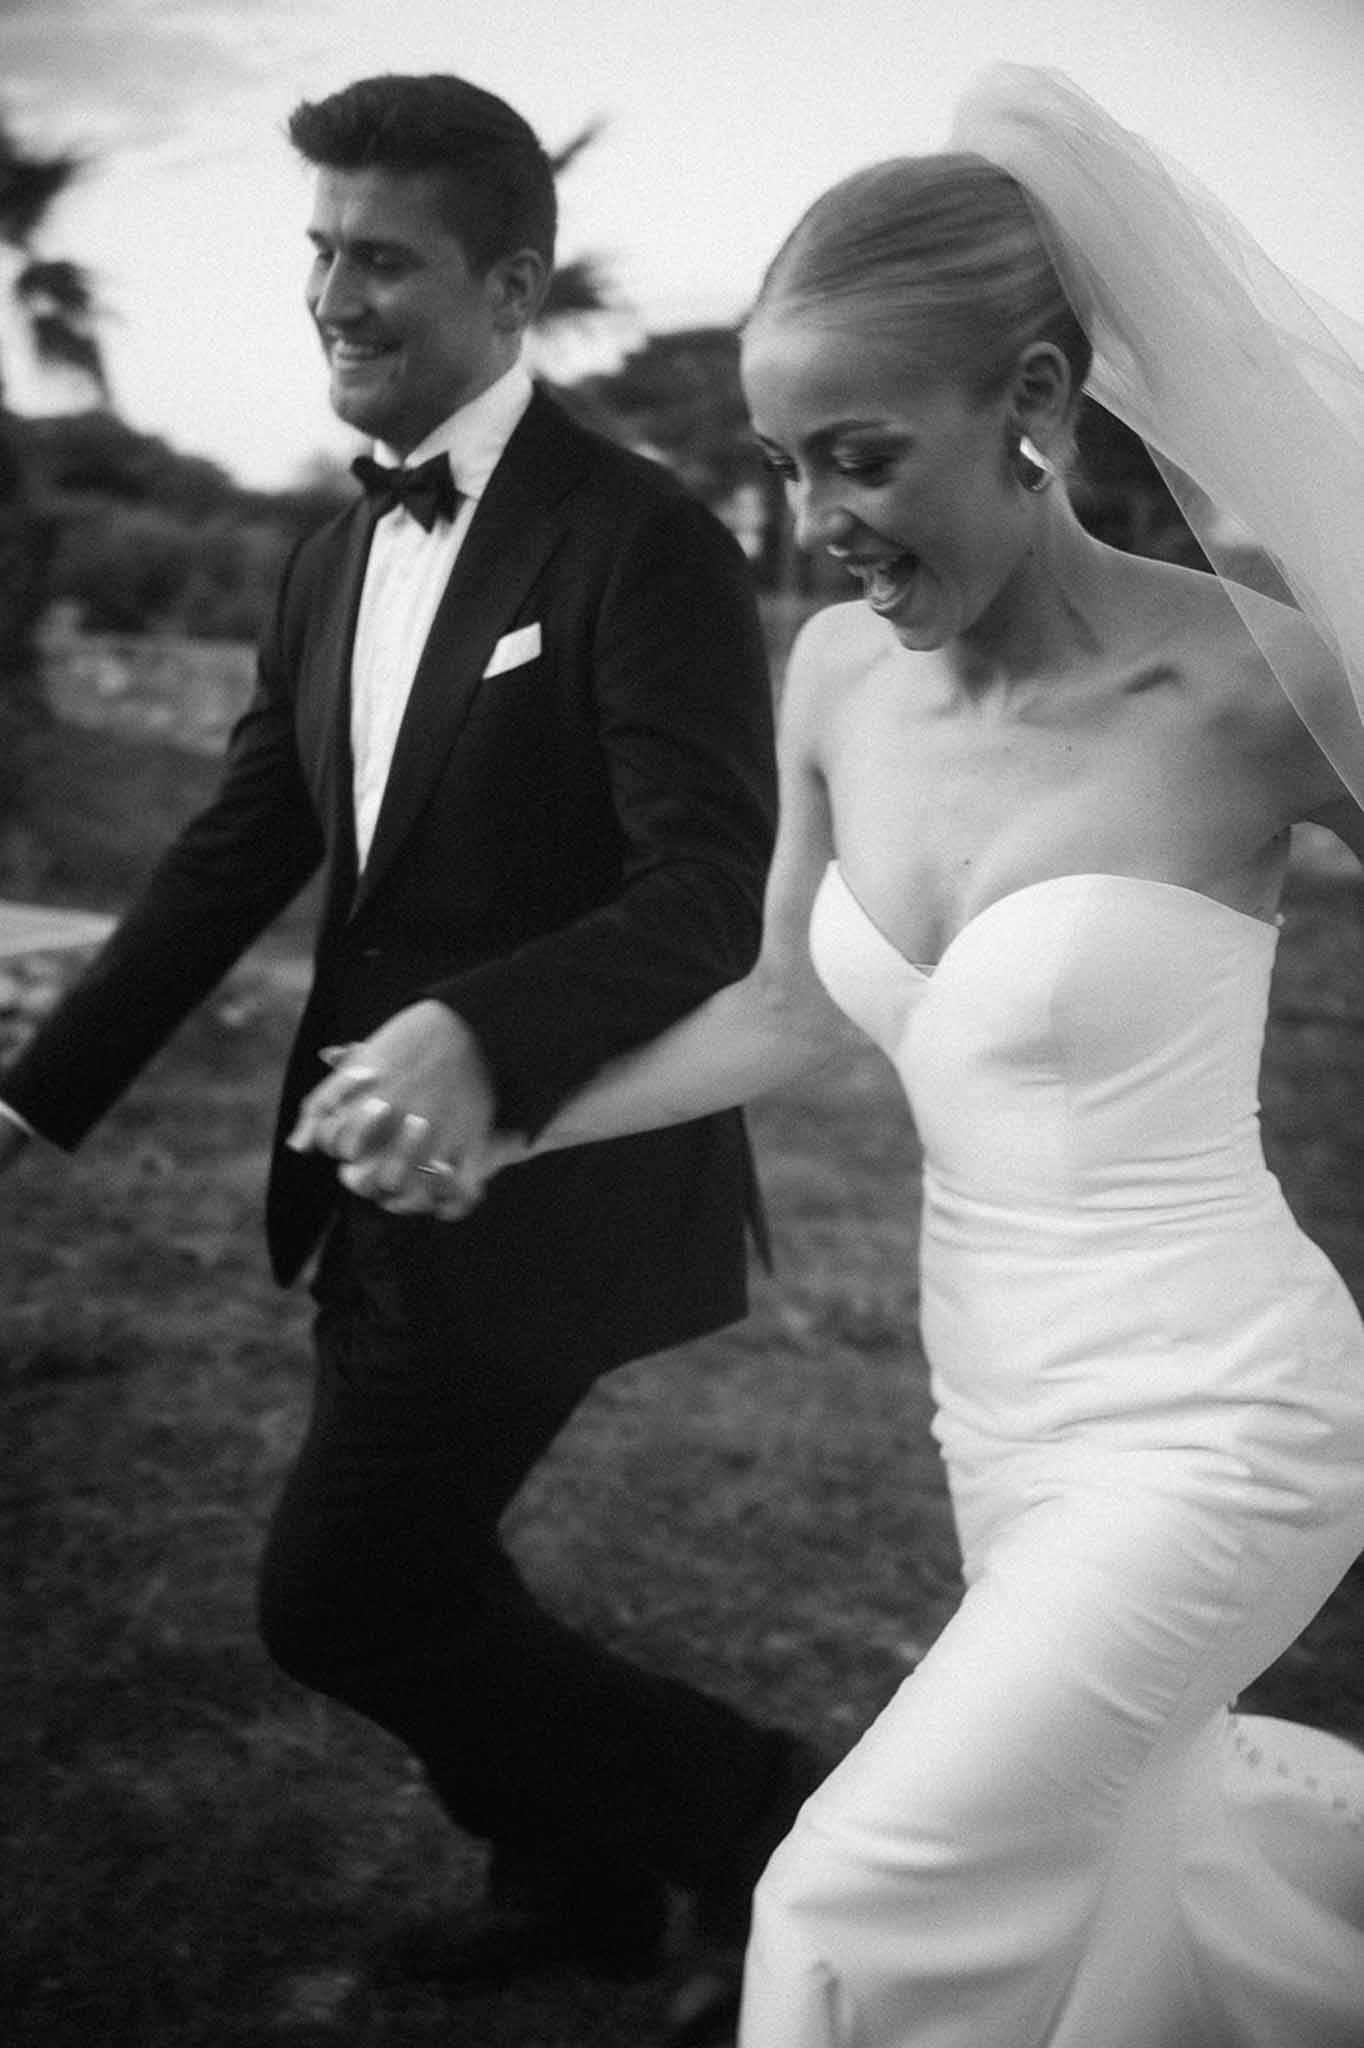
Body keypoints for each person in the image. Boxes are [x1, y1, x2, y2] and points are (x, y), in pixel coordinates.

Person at [296, 65, 1364, 2048]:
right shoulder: (835, 675)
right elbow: (786, 1006)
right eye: (787, 464)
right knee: (1127, 1874)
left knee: (855, 1900)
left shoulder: (1253, 681)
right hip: (1005, 1434)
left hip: (1225, 1419)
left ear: (1035, 403)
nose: (815, 524)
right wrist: (506, 1129)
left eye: (860, 458)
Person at [0, 70, 823, 2039]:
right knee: (422, 1564)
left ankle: (777, 1825)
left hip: (555, 1167)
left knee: (343, 1593)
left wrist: (477, 1028)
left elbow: (713, 885)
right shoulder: (324, 554)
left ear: (508, 282)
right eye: (317, 252)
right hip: (359, 1168)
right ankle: (576, 1888)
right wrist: (32, 1092)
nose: (329, 295)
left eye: (379, 258)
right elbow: (234, 850)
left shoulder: (634, 540)